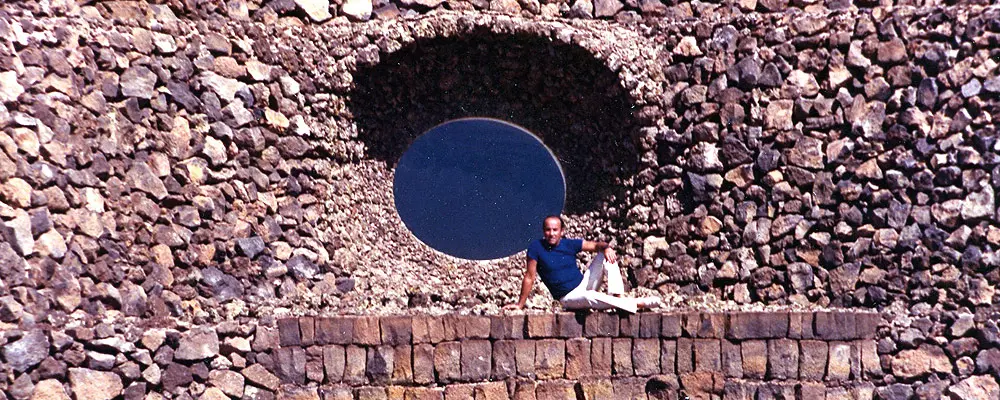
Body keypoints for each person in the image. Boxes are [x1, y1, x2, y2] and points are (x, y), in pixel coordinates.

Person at [504, 215, 661, 313]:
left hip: (584, 284)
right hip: (568, 297)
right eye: (548, 230)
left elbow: (595, 246)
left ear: (561, 231)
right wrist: (520, 304)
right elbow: (529, 277)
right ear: (543, 231)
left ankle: (619, 298)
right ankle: (636, 304)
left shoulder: (569, 244)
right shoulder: (536, 248)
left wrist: (606, 248)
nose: (551, 234)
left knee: (606, 255)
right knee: (589, 296)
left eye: (555, 230)